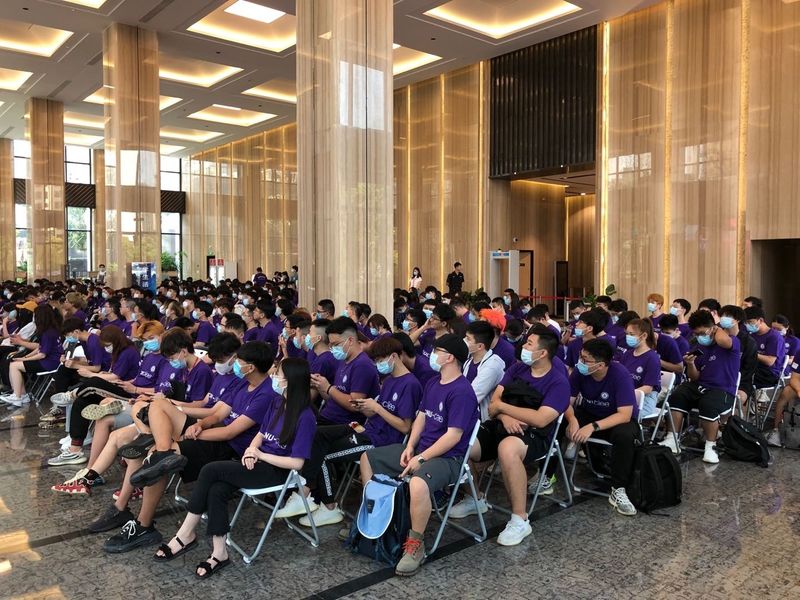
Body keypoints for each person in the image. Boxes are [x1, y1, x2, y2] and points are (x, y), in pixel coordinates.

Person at [101, 341, 279, 553]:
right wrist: (199, 424)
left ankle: (144, 525)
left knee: (155, 456)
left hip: (228, 447)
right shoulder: (243, 383)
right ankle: (164, 452)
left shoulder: (266, 394)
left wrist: (198, 433)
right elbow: (218, 414)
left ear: (251, 366)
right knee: (157, 405)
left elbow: (230, 432)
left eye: (240, 362)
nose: (236, 366)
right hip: (211, 433)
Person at [150, 357, 314, 578]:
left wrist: (260, 454)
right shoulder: (277, 402)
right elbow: (261, 434)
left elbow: (297, 463)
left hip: (278, 472)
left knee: (210, 470)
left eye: (278, 374)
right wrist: (250, 451)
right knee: (217, 489)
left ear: (290, 381)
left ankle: (184, 535)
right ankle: (219, 553)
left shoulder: (306, 417)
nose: (273, 377)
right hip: (257, 461)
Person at [359, 334, 478, 576]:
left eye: (438, 350)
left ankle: (415, 544)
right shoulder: (434, 383)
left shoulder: (462, 391)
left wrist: (421, 458)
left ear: (450, 357)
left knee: (419, 483)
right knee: (367, 459)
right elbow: (422, 417)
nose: (432, 354)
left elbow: (453, 436)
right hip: (422, 450)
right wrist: (411, 447)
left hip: (449, 459)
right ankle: (374, 519)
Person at [276, 337, 419, 526]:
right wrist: (367, 408)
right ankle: (307, 493)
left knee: (322, 454)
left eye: (380, 361)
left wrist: (376, 408)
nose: (378, 365)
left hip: (382, 441)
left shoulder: (410, 384)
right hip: (367, 430)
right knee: (316, 437)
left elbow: (405, 426)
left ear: (394, 356)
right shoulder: (390, 380)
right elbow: (380, 411)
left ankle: (324, 504)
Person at [450, 327, 569, 545]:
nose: (523, 346)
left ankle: (520, 519)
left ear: (543, 353)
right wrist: (505, 416)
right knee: (460, 441)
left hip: (534, 436)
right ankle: (475, 498)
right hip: (500, 425)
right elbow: (494, 405)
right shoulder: (517, 369)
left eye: (529, 344)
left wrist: (504, 409)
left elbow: (541, 419)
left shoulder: (558, 382)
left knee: (507, 449)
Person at [567, 338, 640, 516]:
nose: (580, 363)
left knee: (625, 435)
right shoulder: (579, 372)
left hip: (616, 419)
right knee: (556, 420)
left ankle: (618, 489)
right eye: (580, 357)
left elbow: (624, 414)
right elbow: (566, 402)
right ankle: (548, 475)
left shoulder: (620, 374)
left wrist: (592, 427)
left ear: (600, 365)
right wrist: (572, 420)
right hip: (589, 413)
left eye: (585, 360)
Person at [660, 310, 741, 463]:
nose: (699, 337)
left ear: (713, 328)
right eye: (696, 334)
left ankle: (711, 447)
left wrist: (715, 329)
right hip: (700, 385)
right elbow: (694, 376)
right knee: (678, 395)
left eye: (702, 332)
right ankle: (672, 439)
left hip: (723, 390)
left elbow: (723, 341)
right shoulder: (699, 347)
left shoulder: (732, 341)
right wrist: (690, 364)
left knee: (708, 404)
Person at [310, 317, 380, 426]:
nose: (332, 348)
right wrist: (321, 386)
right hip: (327, 416)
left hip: (344, 424)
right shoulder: (343, 361)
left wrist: (329, 388)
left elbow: (354, 404)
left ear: (351, 340)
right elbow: (332, 398)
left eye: (336, 344)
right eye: (331, 345)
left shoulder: (362, 365)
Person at [0, 304, 62, 407]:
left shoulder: (47, 333)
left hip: (49, 363)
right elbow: (39, 348)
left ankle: (17, 396)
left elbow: (42, 354)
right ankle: (22, 395)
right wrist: (24, 358)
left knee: (14, 366)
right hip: (50, 360)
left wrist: (25, 359)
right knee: (15, 363)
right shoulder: (50, 329)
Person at [617, 319, 661, 416]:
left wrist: (626, 394)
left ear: (644, 336)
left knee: (623, 415)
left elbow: (648, 388)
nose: (628, 337)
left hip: (645, 398)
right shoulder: (627, 354)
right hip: (626, 394)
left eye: (632, 334)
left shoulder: (652, 358)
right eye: (627, 334)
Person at [463, 320, 506, 421]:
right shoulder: (469, 360)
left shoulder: (492, 366)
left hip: (482, 420)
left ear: (480, 346)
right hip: (468, 412)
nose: (464, 341)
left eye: (468, 339)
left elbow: (472, 396)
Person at [744, 305, 786, 390]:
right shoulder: (751, 335)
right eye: (746, 323)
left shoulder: (774, 336)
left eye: (750, 322)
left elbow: (770, 361)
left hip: (769, 373)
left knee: (742, 378)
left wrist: (751, 353)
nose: (747, 325)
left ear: (760, 320)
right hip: (754, 368)